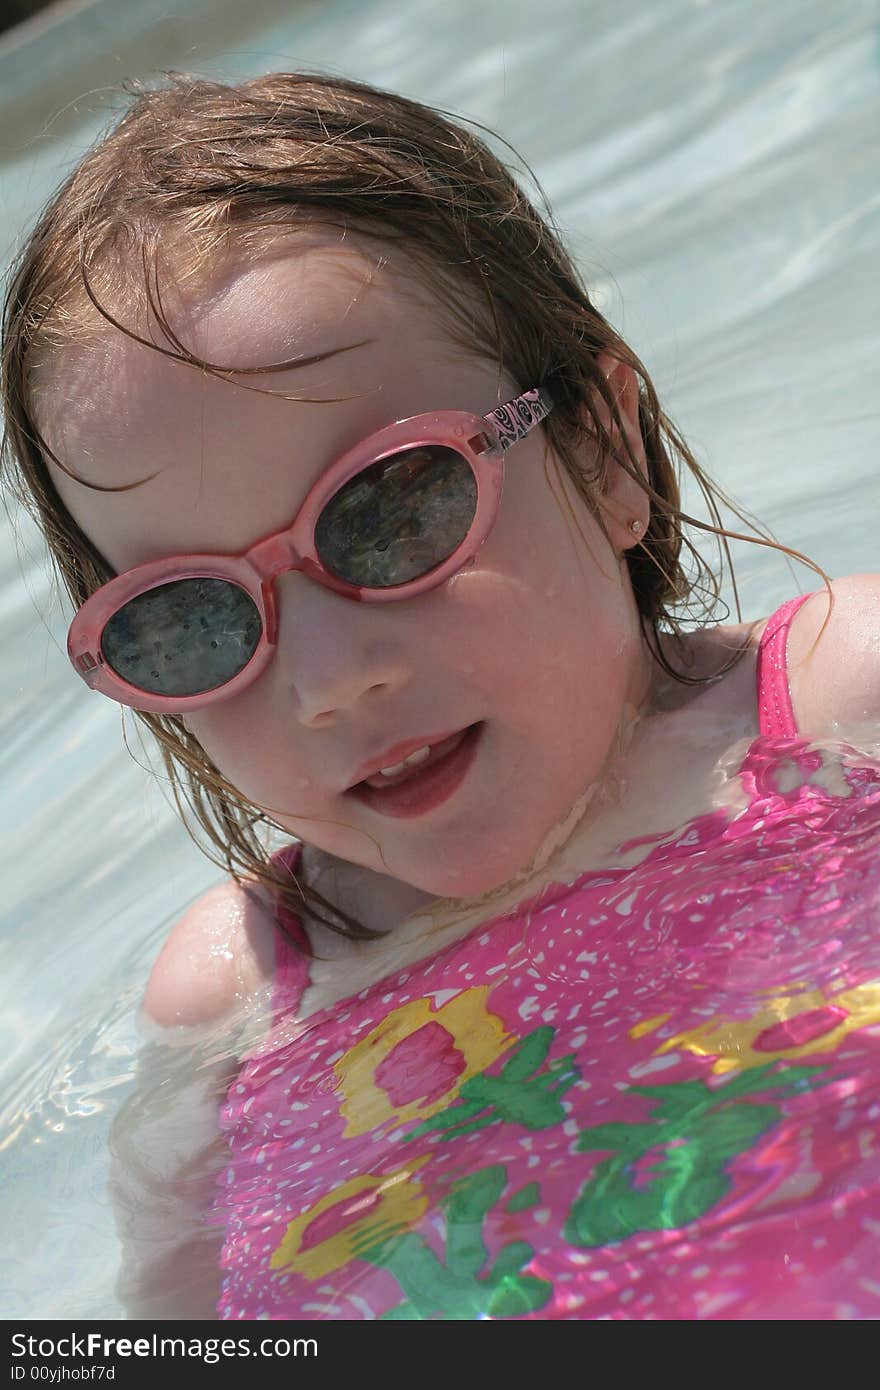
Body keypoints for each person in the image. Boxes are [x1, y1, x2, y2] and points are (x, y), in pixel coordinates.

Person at [3, 71, 879, 1322]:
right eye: (189, 619)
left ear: (603, 448)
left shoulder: (841, 700)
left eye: (391, 508)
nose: (327, 678)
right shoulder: (239, 995)